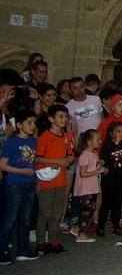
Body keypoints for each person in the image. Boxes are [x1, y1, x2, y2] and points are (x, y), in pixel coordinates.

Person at [0, 110, 42, 264]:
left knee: (25, 218)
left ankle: (23, 249)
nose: (33, 126)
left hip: (29, 183)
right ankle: (2, 250)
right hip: (15, 183)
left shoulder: (33, 142)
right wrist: (22, 171)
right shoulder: (12, 142)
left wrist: (36, 180)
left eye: (34, 123)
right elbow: (3, 165)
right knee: (10, 218)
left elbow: (33, 163)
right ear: (19, 125)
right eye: (29, 123)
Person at [35, 104, 74, 254]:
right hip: (47, 180)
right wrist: (58, 162)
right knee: (44, 211)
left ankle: (53, 240)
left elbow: (70, 154)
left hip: (61, 179)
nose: (64, 120)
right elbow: (38, 158)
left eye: (65, 117)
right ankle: (40, 242)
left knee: (57, 211)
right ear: (51, 119)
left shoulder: (65, 137)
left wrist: (69, 159)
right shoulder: (45, 137)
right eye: (61, 117)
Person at [98, 121, 122, 236]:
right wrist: (114, 144)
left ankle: (116, 225)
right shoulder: (108, 145)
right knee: (106, 203)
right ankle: (101, 226)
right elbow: (105, 158)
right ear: (111, 133)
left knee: (118, 203)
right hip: (110, 178)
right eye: (118, 131)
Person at [73, 129, 105, 243]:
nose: (100, 141)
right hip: (86, 188)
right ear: (89, 142)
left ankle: (77, 228)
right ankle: (81, 233)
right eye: (97, 140)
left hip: (92, 186)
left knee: (90, 208)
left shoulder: (93, 153)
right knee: (87, 210)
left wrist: (99, 165)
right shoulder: (85, 155)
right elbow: (83, 173)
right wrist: (98, 171)